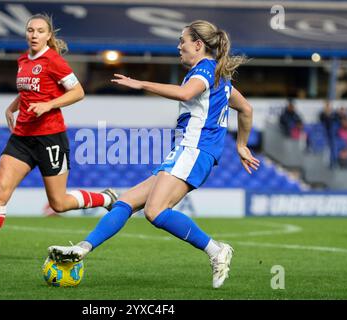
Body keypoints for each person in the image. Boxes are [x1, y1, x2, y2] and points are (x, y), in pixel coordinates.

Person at [48, 20, 260, 289]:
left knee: (155, 211)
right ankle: (81, 249)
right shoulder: (218, 76)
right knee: (125, 202)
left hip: (195, 150)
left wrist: (141, 84)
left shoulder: (204, 71)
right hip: (186, 151)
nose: (178, 46)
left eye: (182, 41)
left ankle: (216, 250)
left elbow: (185, 93)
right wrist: (240, 144)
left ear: (198, 45)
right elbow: (247, 109)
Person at [0, 14, 117, 262]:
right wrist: (12, 106)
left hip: (50, 139)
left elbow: (78, 92)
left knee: (59, 203)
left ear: (48, 36)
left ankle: (106, 198)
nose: (34, 34)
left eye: (39, 31)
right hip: (22, 137)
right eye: (30, 30)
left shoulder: (53, 61)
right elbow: (28, 90)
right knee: (0, 189)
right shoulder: (22, 60)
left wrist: (48, 105)